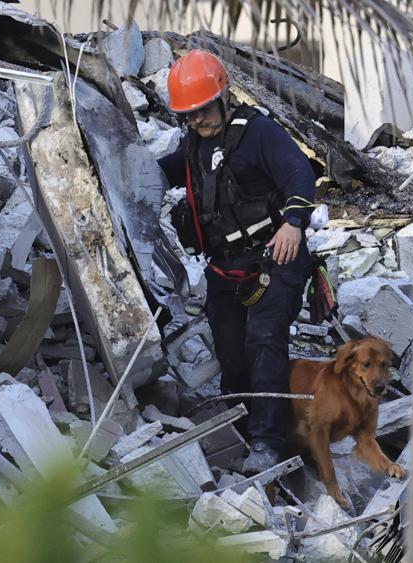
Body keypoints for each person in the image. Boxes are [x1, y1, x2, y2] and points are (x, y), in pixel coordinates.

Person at [157, 50, 317, 474]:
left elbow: (300, 173)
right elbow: (161, 172)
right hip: (225, 267)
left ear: (223, 96)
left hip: (274, 257)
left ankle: (267, 442)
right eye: (188, 116)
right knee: (231, 353)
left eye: (202, 111)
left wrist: (294, 222)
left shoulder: (260, 133)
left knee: (264, 340)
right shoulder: (193, 146)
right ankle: (239, 428)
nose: (197, 121)